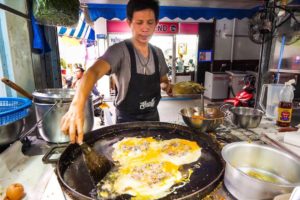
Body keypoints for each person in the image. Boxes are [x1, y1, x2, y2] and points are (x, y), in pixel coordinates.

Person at [61, 0, 173, 144]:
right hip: (126, 122)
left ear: (156, 23)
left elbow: (163, 79)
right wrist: (77, 105)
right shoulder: (118, 51)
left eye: (150, 22)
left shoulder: (158, 53)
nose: (145, 28)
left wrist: (166, 86)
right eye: (139, 22)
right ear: (129, 22)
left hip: (153, 119)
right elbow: (93, 72)